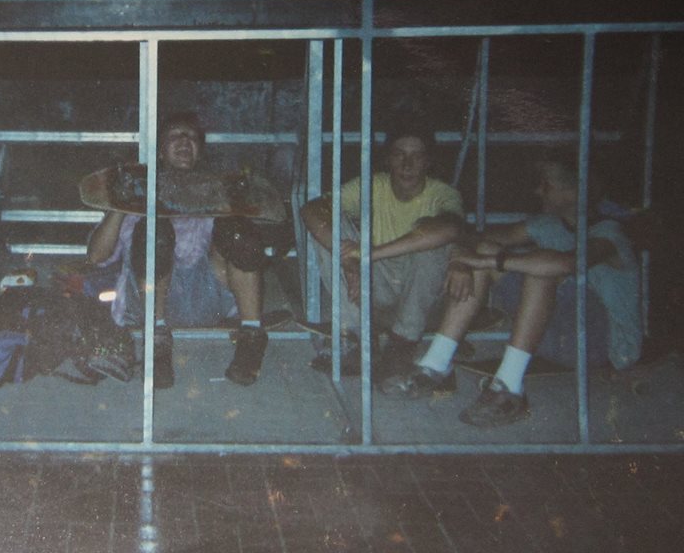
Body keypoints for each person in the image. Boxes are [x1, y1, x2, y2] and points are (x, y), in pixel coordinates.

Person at [380, 154, 641, 428]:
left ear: (573, 191)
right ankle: (435, 365)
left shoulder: (610, 233)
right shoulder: (548, 224)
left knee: (539, 269)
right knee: (484, 252)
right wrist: (461, 256)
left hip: (604, 345)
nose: (537, 191)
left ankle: (509, 388)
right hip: (558, 334)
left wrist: (489, 260)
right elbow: (477, 240)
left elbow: (567, 263)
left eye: (546, 185)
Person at [86, 112, 269, 389]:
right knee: (155, 232)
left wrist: (238, 206)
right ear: (160, 150)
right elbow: (96, 257)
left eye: (191, 138)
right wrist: (119, 204)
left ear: (199, 151)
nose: (184, 141)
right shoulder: (140, 189)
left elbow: (249, 249)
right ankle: (157, 342)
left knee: (239, 231)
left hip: (206, 300)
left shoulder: (213, 189)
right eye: (175, 137)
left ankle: (252, 337)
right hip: (149, 304)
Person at [300, 120, 464, 379]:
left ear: (428, 161)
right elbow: (311, 209)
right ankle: (356, 339)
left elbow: (450, 230)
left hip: (421, 300)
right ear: (388, 159)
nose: (407, 165)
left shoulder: (443, 194)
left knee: (432, 240)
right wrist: (349, 261)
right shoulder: (373, 184)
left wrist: (366, 255)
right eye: (399, 154)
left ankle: (403, 344)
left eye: (416, 156)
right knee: (327, 226)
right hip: (373, 289)